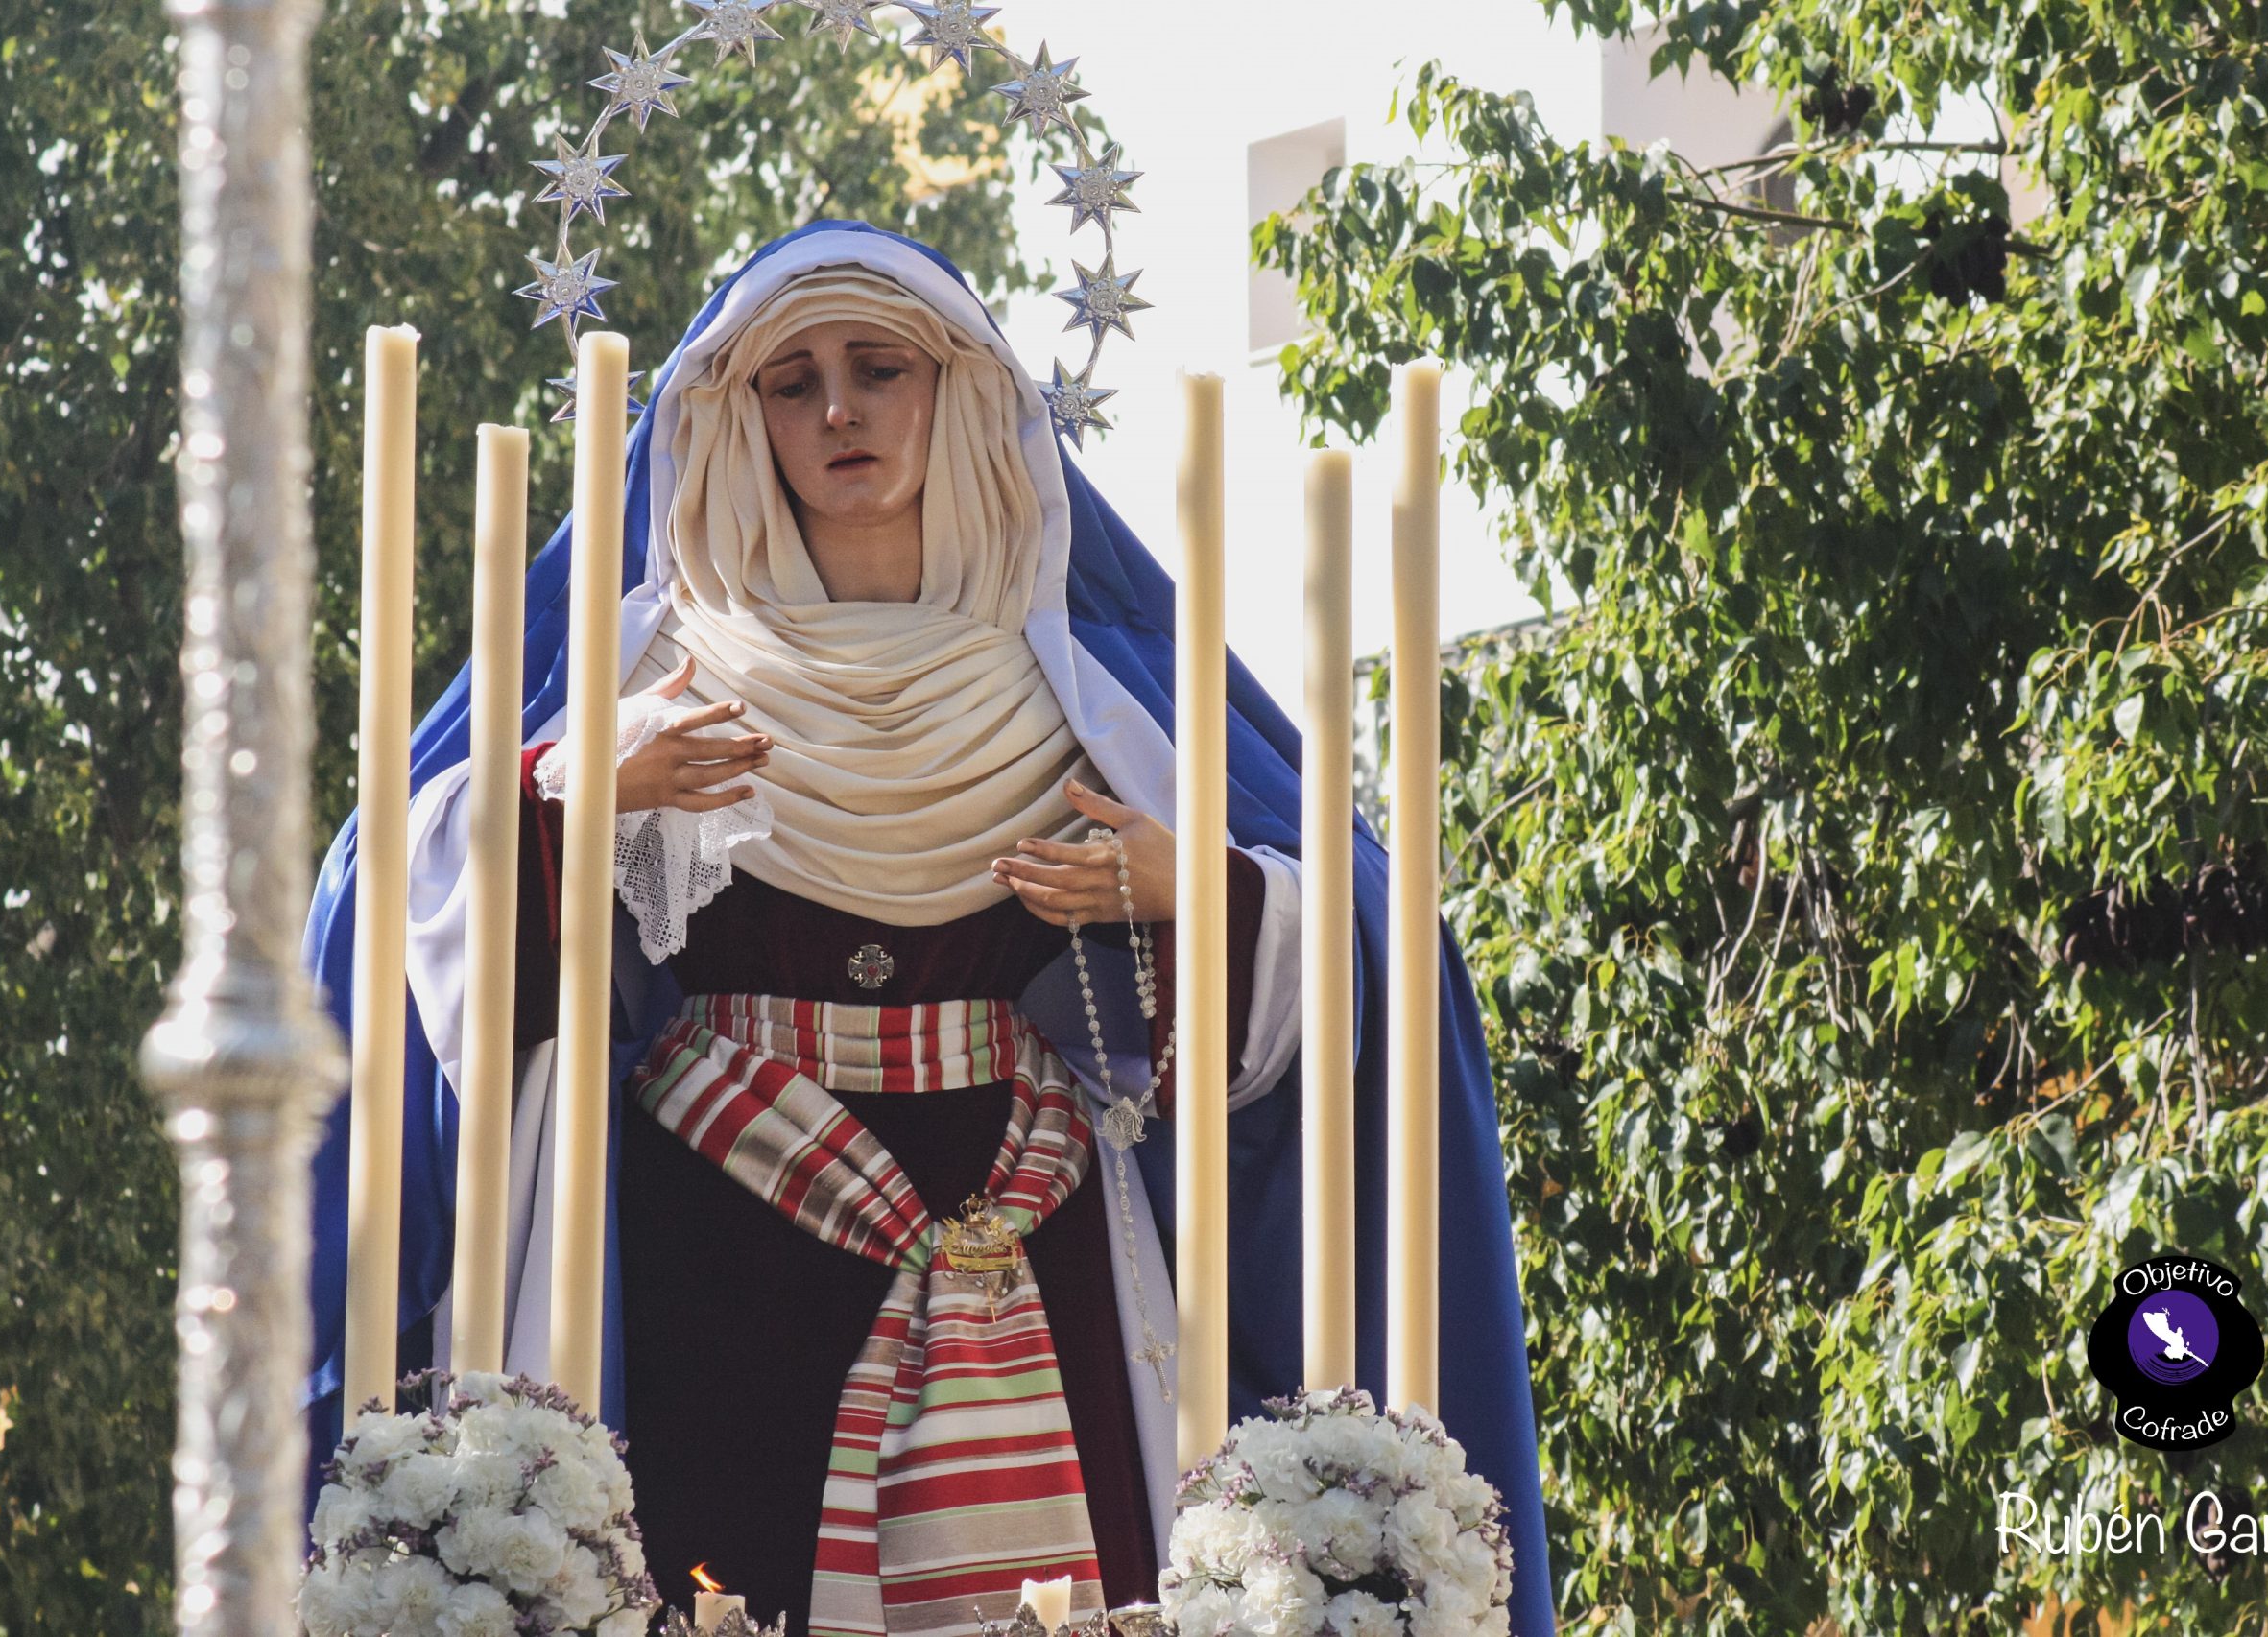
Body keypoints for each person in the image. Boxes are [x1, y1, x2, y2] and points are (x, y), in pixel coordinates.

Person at [298, 220, 1554, 1637]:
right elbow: (382, 900)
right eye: (794, 380)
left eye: (877, 366)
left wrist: (1198, 891)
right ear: (738, 413)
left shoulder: (1090, 690)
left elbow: (1368, 939)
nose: (838, 410)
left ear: (954, 390)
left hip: (1036, 1245)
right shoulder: (649, 672)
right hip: (721, 1266)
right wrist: (561, 795)